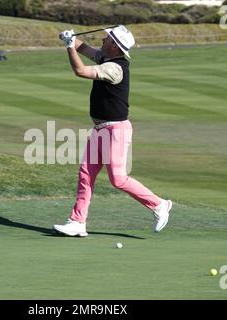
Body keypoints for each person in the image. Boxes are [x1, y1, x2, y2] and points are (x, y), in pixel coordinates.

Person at [53, 25, 172, 237]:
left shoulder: (115, 68)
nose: (103, 40)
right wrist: (69, 39)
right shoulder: (106, 58)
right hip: (100, 129)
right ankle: (77, 222)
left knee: (118, 179)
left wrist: (70, 47)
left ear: (116, 46)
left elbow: (80, 71)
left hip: (116, 130)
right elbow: (84, 48)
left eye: (107, 39)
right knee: (86, 174)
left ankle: (160, 205)